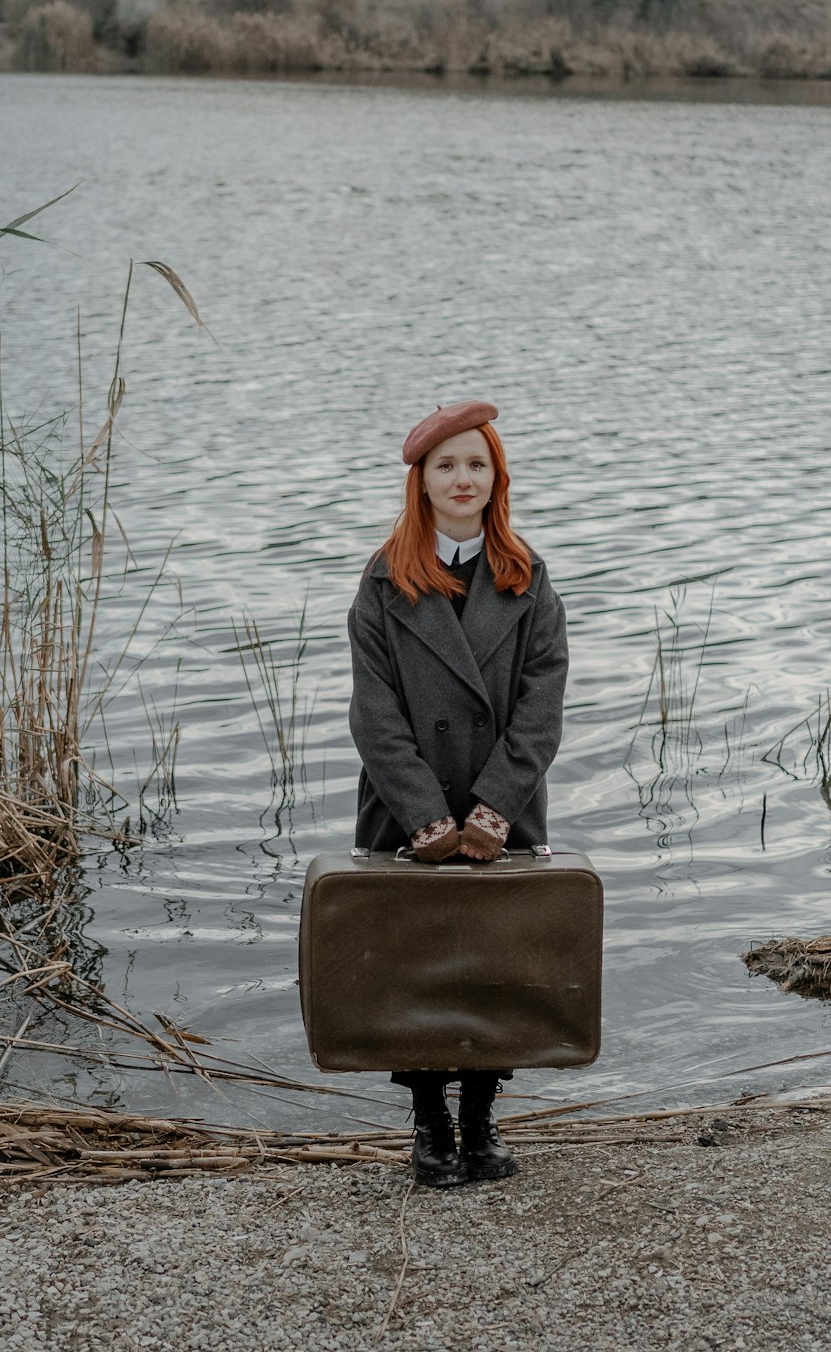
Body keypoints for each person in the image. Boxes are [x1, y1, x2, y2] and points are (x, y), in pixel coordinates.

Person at [347, 399, 569, 1188]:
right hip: (408, 809)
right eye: (447, 465)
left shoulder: (527, 576)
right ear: (422, 481)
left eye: (477, 463)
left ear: (495, 476)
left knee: (496, 961)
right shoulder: (382, 582)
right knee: (417, 964)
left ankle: (481, 1121)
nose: (463, 477)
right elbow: (373, 715)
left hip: (501, 809)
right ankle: (428, 1125)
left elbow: (543, 707)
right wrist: (429, 818)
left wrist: (490, 812)